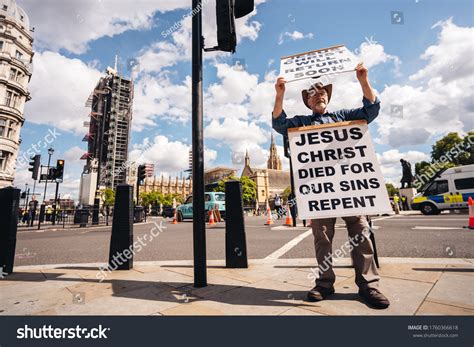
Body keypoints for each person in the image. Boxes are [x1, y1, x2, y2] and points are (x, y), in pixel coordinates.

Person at [271, 63, 390, 309]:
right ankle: (325, 283)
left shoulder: (344, 116)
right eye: (313, 93)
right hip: (319, 191)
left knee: (360, 233)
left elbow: (371, 110)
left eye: (322, 91)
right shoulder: (302, 121)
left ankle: (368, 284)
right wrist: (279, 94)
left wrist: (364, 81)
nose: (319, 94)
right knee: (322, 238)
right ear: (307, 101)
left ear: (327, 97)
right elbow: (279, 124)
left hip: (350, 187)